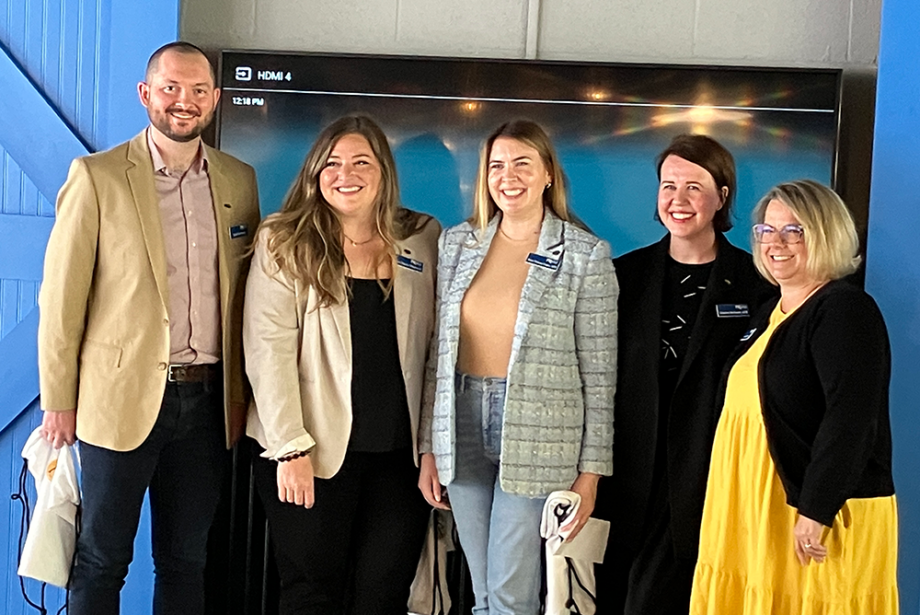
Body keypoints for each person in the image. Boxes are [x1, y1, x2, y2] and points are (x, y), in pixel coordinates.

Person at [37, 42, 260, 615]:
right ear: (146, 95)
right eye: (170, 88)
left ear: (215, 99)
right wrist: (58, 400)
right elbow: (61, 302)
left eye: (197, 91)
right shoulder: (98, 177)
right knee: (101, 559)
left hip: (210, 404)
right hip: (117, 402)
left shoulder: (239, 180)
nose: (183, 102)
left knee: (186, 561)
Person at [418, 119, 617, 614]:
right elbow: (436, 357)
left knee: (511, 593)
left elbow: (600, 377)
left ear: (548, 172)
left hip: (540, 436)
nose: (509, 176)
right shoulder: (457, 243)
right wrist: (428, 448)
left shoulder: (585, 255)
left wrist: (590, 474)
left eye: (522, 163)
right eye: (496, 165)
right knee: (484, 592)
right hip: (460, 422)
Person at [244, 115, 439, 615]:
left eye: (360, 162)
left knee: (383, 596)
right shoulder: (282, 240)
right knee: (312, 594)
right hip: (311, 453)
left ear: (383, 171)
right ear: (314, 172)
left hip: (399, 460)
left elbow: (439, 345)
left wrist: (433, 449)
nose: (344, 173)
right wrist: (289, 448)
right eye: (331, 163)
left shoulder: (421, 237)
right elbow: (268, 350)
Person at [689, 179, 899, 614]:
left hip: (813, 508)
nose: (775, 243)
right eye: (766, 230)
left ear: (826, 235)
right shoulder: (770, 311)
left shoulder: (843, 310)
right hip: (753, 504)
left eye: (794, 231)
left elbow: (851, 420)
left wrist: (816, 509)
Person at [594, 134, 775, 614]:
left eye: (694, 187)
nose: (678, 200)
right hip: (627, 473)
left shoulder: (760, 284)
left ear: (722, 196)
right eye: (668, 185)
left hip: (708, 474)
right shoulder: (620, 277)